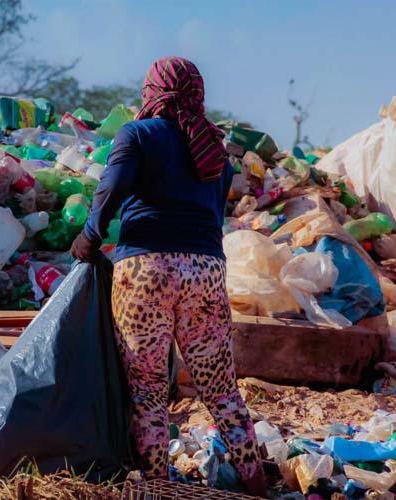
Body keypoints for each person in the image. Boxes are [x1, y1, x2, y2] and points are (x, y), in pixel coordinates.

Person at [71, 56, 266, 496]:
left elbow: (111, 188)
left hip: (146, 271)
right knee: (222, 391)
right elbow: (215, 215)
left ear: (150, 92)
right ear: (197, 94)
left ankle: (159, 488)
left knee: (148, 392)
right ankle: (257, 486)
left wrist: (89, 234)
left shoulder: (137, 134)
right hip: (206, 272)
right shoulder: (214, 150)